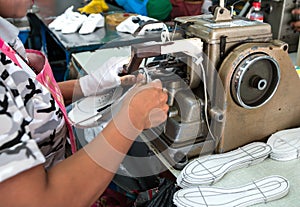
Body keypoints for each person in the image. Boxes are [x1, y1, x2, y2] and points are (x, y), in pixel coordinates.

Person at [0, 0, 169, 206]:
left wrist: (86, 86)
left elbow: (23, 101)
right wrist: (131, 119)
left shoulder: (5, 37)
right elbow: (40, 201)